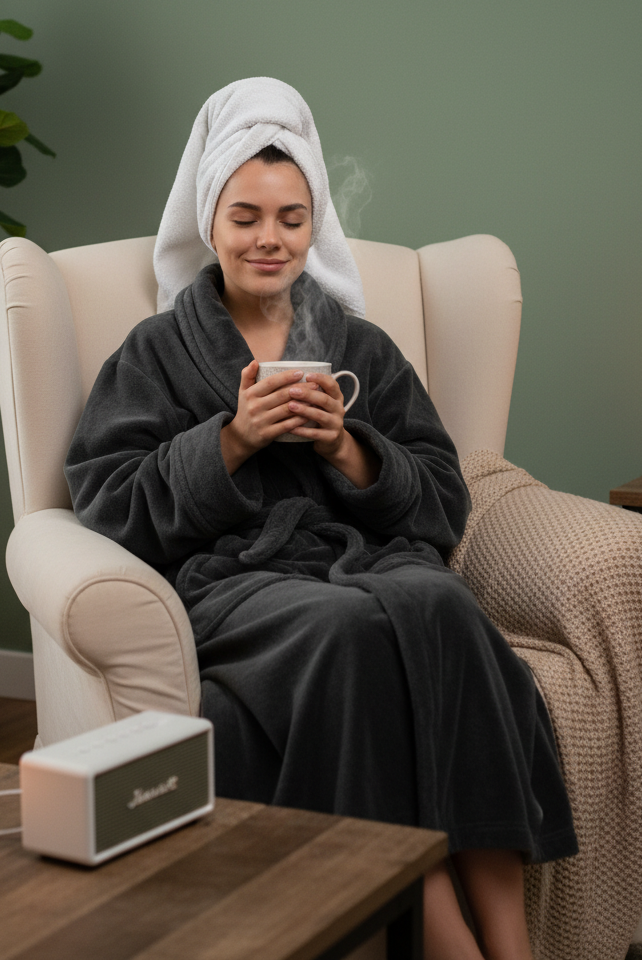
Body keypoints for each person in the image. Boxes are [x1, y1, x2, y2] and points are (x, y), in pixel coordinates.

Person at [65, 77, 577, 960]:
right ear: (210, 222)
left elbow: (444, 499)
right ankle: (434, 919)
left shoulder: (360, 347)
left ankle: (509, 932)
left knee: (445, 607)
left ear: (315, 225)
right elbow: (107, 502)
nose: (269, 239)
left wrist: (350, 451)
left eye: (292, 218)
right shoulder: (153, 351)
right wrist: (229, 441)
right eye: (246, 216)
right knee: (345, 631)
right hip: (237, 582)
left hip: (369, 558)